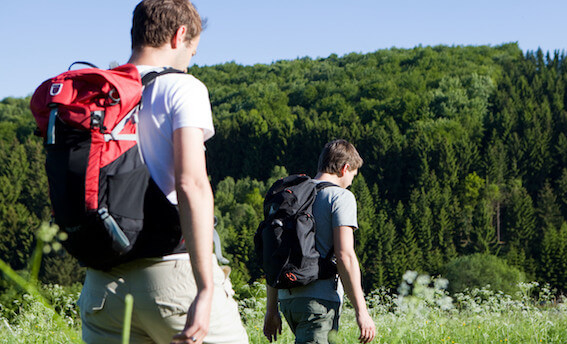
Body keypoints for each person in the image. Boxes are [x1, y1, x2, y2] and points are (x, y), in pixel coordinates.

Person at [77, 1, 248, 343]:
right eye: (193, 51)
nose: (190, 60)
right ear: (180, 35)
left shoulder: (97, 93)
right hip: (172, 279)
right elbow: (191, 184)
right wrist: (204, 288)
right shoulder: (183, 88)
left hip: (100, 289)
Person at [263, 139, 376, 344]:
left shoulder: (292, 196)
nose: (351, 182)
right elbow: (345, 255)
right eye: (353, 175)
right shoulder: (340, 197)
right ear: (345, 168)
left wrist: (271, 310)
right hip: (319, 301)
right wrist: (362, 311)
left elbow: (274, 253)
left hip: (287, 300)